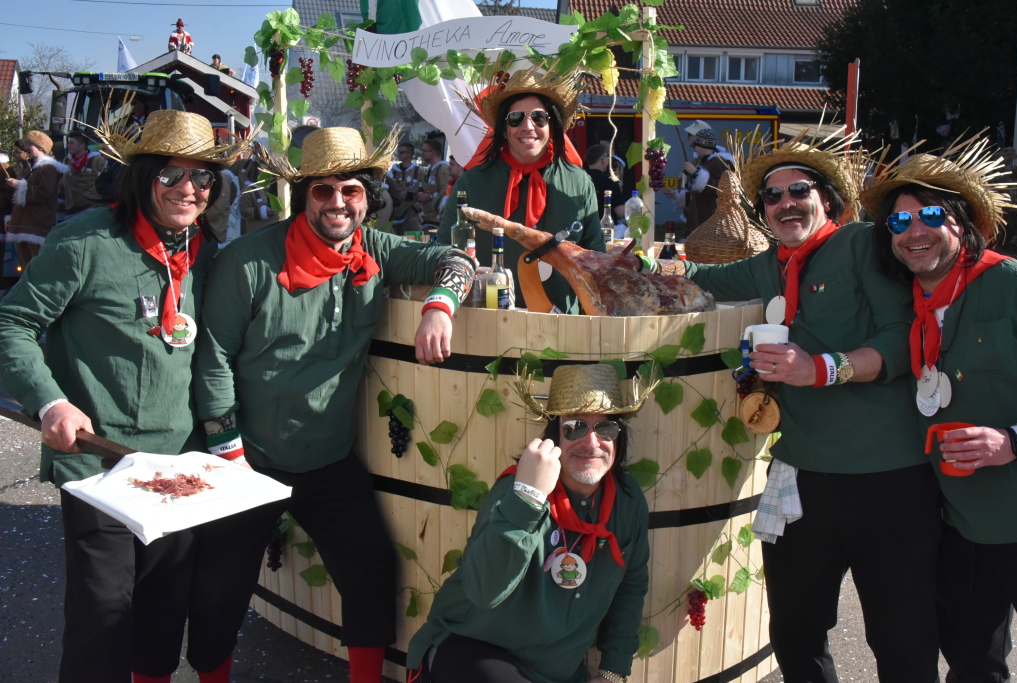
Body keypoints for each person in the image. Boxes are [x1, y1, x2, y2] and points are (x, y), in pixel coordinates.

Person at [193, 126, 476, 683]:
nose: (339, 203)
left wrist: (439, 307)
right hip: (247, 459)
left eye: (351, 189)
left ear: (369, 196)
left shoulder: (374, 249)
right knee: (219, 587)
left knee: (371, 572)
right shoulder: (248, 262)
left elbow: (454, 260)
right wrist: (229, 455)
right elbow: (213, 359)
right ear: (304, 197)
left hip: (327, 460)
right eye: (323, 190)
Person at [0, 110, 251, 683]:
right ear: (142, 177)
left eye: (202, 178)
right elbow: (11, 324)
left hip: (177, 467)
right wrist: (50, 402)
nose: (188, 189)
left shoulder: (204, 254)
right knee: (103, 620)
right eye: (170, 175)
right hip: (99, 465)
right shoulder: (84, 242)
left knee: (163, 613)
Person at [678, 134, 941, 683]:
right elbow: (689, 283)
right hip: (799, 478)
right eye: (772, 198)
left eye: (799, 190)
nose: (785, 203)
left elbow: (904, 340)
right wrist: (618, 261)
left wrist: (820, 368)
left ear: (827, 198)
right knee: (795, 635)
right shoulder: (767, 265)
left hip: (888, 478)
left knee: (903, 642)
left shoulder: (861, 243)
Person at [862, 138, 1017, 683]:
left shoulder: (1013, 285)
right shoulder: (908, 306)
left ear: (961, 222)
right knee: (975, 668)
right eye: (899, 223)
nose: (915, 232)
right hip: (963, 530)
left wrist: (1014, 440)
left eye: (930, 215)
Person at [406, 364, 652, 683]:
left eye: (606, 429)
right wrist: (529, 495)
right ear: (554, 436)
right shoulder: (515, 491)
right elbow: (484, 592)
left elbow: (630, 589)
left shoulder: (627, 500)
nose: (592, 443)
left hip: (555, 670)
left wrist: (613, 672)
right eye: (575, 427)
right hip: (473, 647)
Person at [438, 66, 605, 313]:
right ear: (504, 130)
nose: (528, 126)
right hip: (485, 325)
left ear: (552, 126)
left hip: (563, 329)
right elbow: (443, 253)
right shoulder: (470, 184)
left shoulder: (580, 182)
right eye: (516, 119)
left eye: (539, 117)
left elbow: (596, 262)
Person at [4, 131, 66, 268]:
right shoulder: (35, 168)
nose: (26, 149)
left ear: (40, 147)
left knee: (37, 266)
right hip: (26, 225)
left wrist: (19, 185)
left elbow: (44, 192)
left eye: (30, 145)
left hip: (36, 224)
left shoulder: (48, 167)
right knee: (26, 266)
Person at [663, 127, 732, 236]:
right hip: (700, 223)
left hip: (712, 225)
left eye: (696, 145)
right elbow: (699, 194)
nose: (694, 148)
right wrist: (678, 195)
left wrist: (696, 173)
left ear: (702, 145)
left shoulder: (719, 162)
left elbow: (723, 189)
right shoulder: (704, 162)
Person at [60, 132, 106, 218]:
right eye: (68, 143)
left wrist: (100, 188)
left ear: (82, 146)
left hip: (90, 207)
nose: (68, 145)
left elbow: (108, 178)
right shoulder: (66, 160)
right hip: (71, 209)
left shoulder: (97, 160)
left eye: (72, 143)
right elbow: (62, 183)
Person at [388, 141, 424, 233]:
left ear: (409, 154)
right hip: (395, 216)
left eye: (401, 152)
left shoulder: (418, 171)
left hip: (411, 216)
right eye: (399, 152)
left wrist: (414, 208)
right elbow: (388, 189)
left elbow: (424, 190)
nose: (398, 154)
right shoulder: (393, 171)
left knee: (412, 242)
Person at [584, 143, 624, 221]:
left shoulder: (580, 180)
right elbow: (621, 212)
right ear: (602, 160)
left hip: (582, 226)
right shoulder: (610, 182)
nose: (609, 159)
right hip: (605, 227)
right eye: (607, 156)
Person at [417, 136, 450, 229]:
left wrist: (429, 197)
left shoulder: (443, 169)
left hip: (438, 221)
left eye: (424, 151)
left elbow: (447, 193)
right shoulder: (431, 170)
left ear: (432, 153)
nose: (421, 153)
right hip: (429, 218)